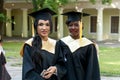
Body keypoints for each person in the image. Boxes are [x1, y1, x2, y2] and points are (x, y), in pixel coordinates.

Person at [45, 11, 100, 80]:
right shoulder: (61, 43)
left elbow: (92, 71)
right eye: (70, 25)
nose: (73, 27)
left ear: (82, 26)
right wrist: (55, 68)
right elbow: (59, 64)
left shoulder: (89, 46)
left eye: (76, 25)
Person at [20, 8, 58, 80]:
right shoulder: (29, 45)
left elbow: (62, 65)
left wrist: (55, 69)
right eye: (40, 24)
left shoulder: (56, 44)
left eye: (47, 24)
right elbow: (28, 72)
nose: (44, 28)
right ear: (36, 26)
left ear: (51, 27)